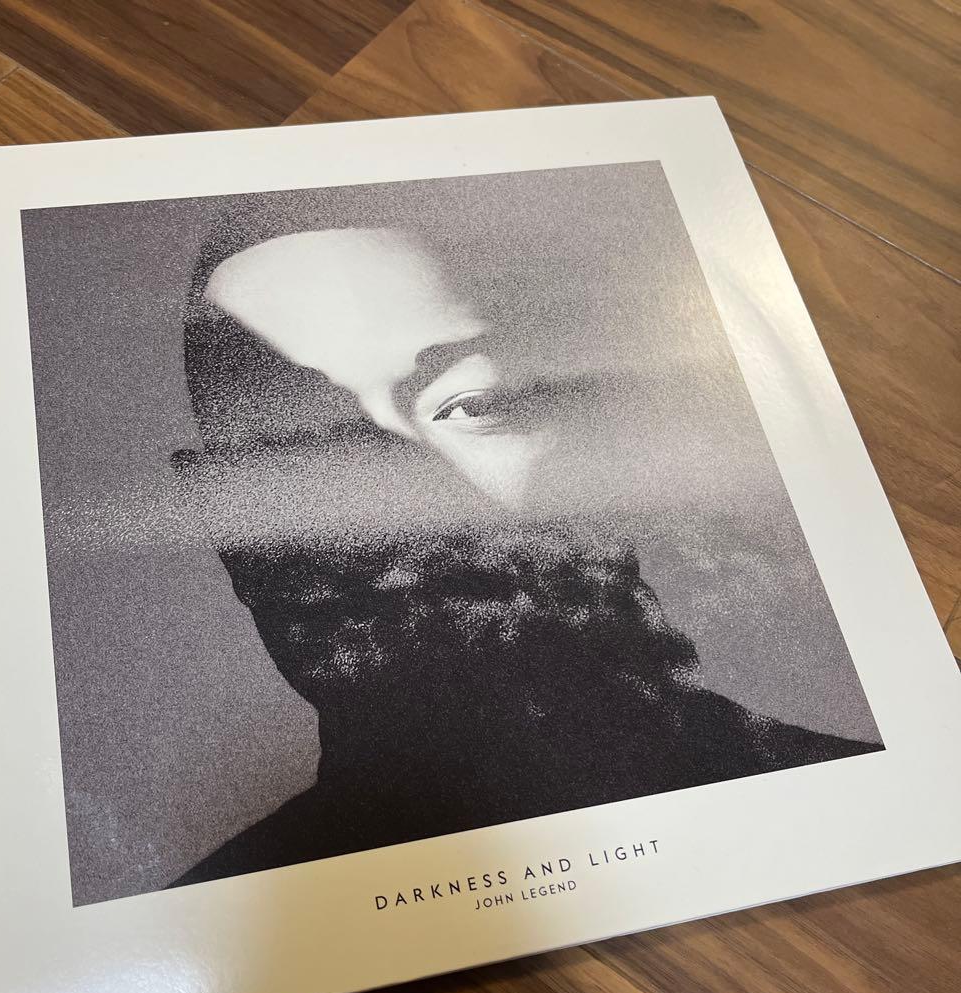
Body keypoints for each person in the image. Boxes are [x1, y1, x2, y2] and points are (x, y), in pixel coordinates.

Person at [170, 216, 880, 889]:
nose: (400, 499)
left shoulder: (854, 816)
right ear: (231, 531)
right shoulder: (209, 920)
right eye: (305, 453)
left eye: (472, 405)